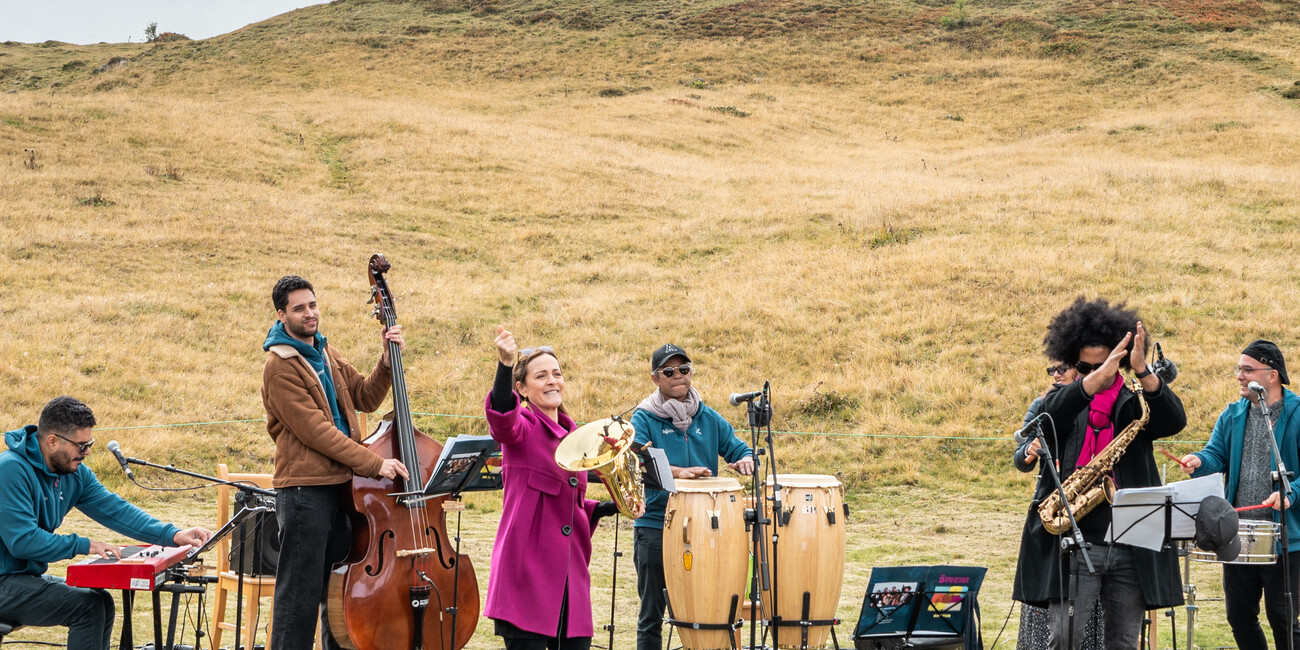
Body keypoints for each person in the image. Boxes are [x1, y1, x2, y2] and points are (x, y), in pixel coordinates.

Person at [1011, 297, 1186, 650]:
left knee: (1123, 641)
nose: (1094, 373)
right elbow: (1046, 417)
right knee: (1065, 639)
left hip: (1130, 542)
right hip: (1075, 542)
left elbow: (1174, 420)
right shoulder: (1060, 402)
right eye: (1084, 366)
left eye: (1102, 365)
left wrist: (1143, 372)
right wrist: (1093, 382)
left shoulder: (1136, 400)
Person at [261, 274, 409, 650]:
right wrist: (375, 464)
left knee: (340, 592)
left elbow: (365, 396)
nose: (309, 313)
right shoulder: (279, 367)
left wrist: (387, 361)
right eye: (299, 308)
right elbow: (318, 433)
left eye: (312, 305)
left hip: (343, 490)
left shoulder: (326, 352)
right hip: (304, 491)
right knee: (299, 598)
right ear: (282, 315)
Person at [0, 396, 211, 648]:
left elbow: (116, 510)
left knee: (100, 600)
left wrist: (172, 534)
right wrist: (84, 544)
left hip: (21, 578)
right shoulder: (10, 470)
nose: (87, 452)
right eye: (81, 445)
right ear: (52, 441)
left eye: (90, 443)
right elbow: (23, 542)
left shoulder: (74, 473)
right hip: (5, 581)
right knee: (87, 607)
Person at [484, 327, 619, 650]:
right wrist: (505, 364)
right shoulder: (523, 427)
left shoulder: (579, 437)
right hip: (525, 576)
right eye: (541, 376)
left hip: (571, 579)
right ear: (523, 389)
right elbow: (503, 416)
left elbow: (570, 500)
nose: (552, 381)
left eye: (556, 374)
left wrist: (605, 506)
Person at [630, 343, 754, 650]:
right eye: (669, 371)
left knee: (706, 608)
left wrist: (745, 460)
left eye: (684, 370)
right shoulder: (643, 419)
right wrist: (677, 474)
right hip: (656, 526)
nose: (678, 377)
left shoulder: (708, 417)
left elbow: (739, 448)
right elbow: (636, 464)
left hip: (705, 528)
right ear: (655, 379)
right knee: (651, 615)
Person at [1181, 340, 1300, 650]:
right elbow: (1214, 455)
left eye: (1247, 370)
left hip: (1285, 538)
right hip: (1238, 533)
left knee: (1283, 617)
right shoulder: (1232, 414)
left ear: (1272, 375)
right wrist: (1199, 461)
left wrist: (1292, 494)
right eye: (1238, 369)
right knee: (1239, 616)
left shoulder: (1297, 414)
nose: (1239, 376)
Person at [1013, 361, 1107, 650]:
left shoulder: (1094, 405)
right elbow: (1019, 457)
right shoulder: (1043, 405)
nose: (1057, 375)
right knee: (1052, 594)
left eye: (1062, 368)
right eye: (1051, 370)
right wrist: (1029, 450)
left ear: (1078, 368)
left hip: (1091, 514)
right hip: (1052, 513)